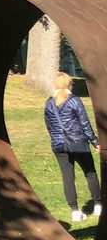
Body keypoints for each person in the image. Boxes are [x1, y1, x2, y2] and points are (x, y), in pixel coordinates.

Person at [44, 72, 102, 222]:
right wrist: (95, 142)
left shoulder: (49, 102)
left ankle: (75, 211)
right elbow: (84, 123)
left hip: (59, 145)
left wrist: (56, 139)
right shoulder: (74, 100)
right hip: (78, 143)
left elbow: (49, 125)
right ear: (70, 84)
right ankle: (97, 205)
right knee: (90, 173)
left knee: (67, 177)